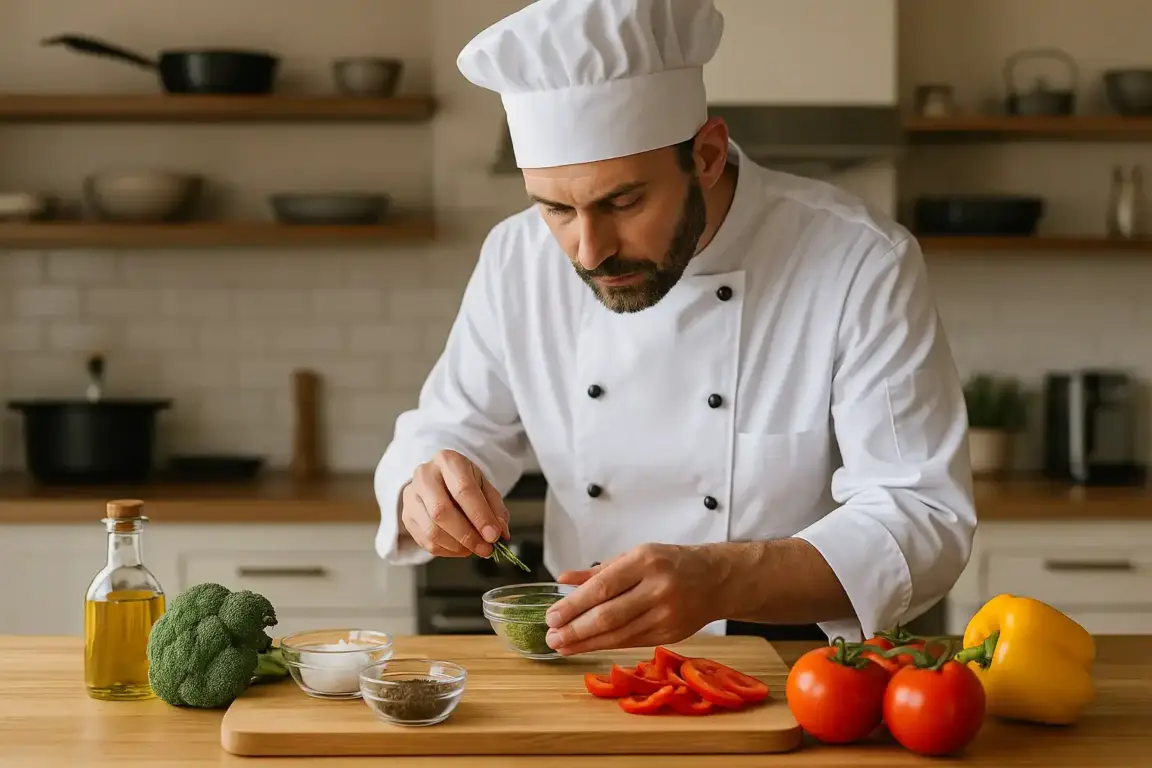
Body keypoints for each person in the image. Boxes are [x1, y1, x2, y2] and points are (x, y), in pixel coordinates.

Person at [373, 0, 976, 654]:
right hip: (585, 650)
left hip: (794, 661)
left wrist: (721, 578)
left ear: (708, 155)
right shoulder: (515, 258)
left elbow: (923, 516)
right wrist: (424, 486)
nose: (588, 250)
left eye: (623, 202)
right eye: (554, 208)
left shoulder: (858, 260)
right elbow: (452, 426)